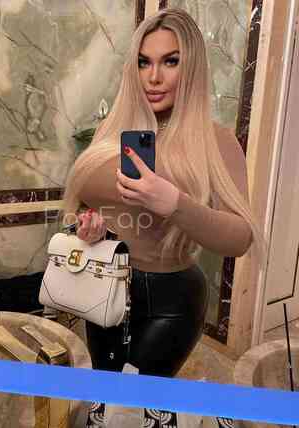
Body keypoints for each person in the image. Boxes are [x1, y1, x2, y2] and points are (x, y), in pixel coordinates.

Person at [62, 8, 263, 428]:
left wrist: (175, 203)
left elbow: (240, 238)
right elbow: (86, 203)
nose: (153, 77)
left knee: (132, 406)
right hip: (106, 284)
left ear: (192, 69)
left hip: (171, 299)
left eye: (170, 61)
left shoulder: (216, 142)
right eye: (144, 62)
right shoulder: (111, 131)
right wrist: (90, 226)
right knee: (106, 396)